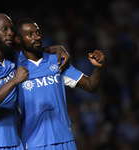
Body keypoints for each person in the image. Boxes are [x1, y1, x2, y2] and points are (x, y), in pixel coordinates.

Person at [0, 13, 70, 150]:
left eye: (12, 29)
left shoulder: (12, 57)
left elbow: (32, 52)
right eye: (4, 29)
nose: (10, 33)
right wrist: (13, 81)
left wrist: (55, 48)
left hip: (14, 143)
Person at [13, 18, 105, 150]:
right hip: (34, 143)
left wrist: (98, 67)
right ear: (18, 40)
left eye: (38, 32)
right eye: (30, 34)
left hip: (65, 140)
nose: (37, 37)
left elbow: (91, 85)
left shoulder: (56, 61)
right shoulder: (14, 69)